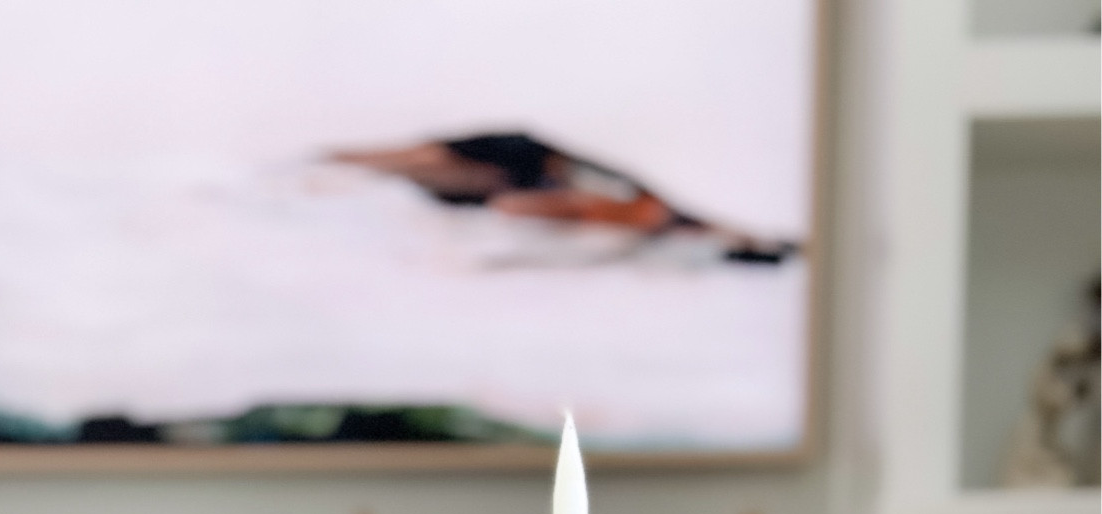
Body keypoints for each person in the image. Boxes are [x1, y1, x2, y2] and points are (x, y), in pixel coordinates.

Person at [329, 132, 794, 260]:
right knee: (413, 160)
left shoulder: (643, 216)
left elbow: (520, 207)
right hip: (525, 167)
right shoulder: (629, 198)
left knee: (417, 165)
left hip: (516, 179)